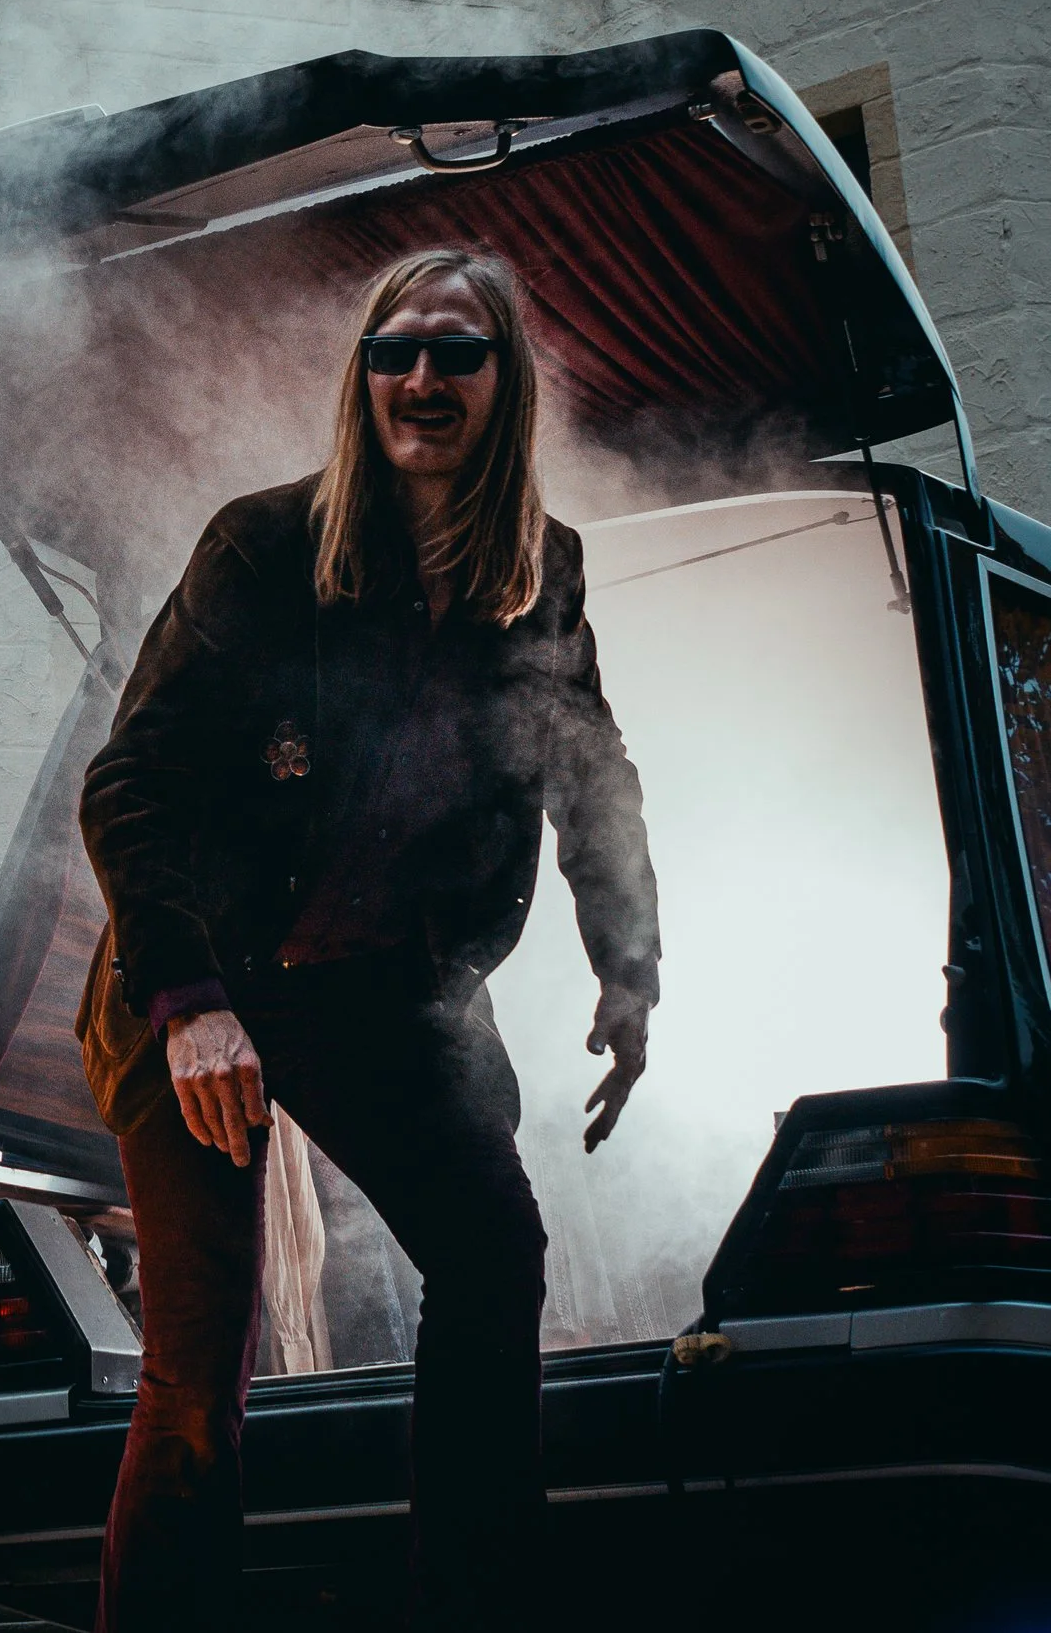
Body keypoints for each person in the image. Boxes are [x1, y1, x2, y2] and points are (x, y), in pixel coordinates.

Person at [74, 247, 661, 1633]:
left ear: (504, 381)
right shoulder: (266, 548)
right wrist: (192, 1003)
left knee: (494, 1257)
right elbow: (128, 784)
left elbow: (593, 773)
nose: (421, 377)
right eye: (394, 349)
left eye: (458, 353)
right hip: (206, 975)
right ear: (363, 375)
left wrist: (628, 965)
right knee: (201, 1361)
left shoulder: (542, 571)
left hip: (385, 998)